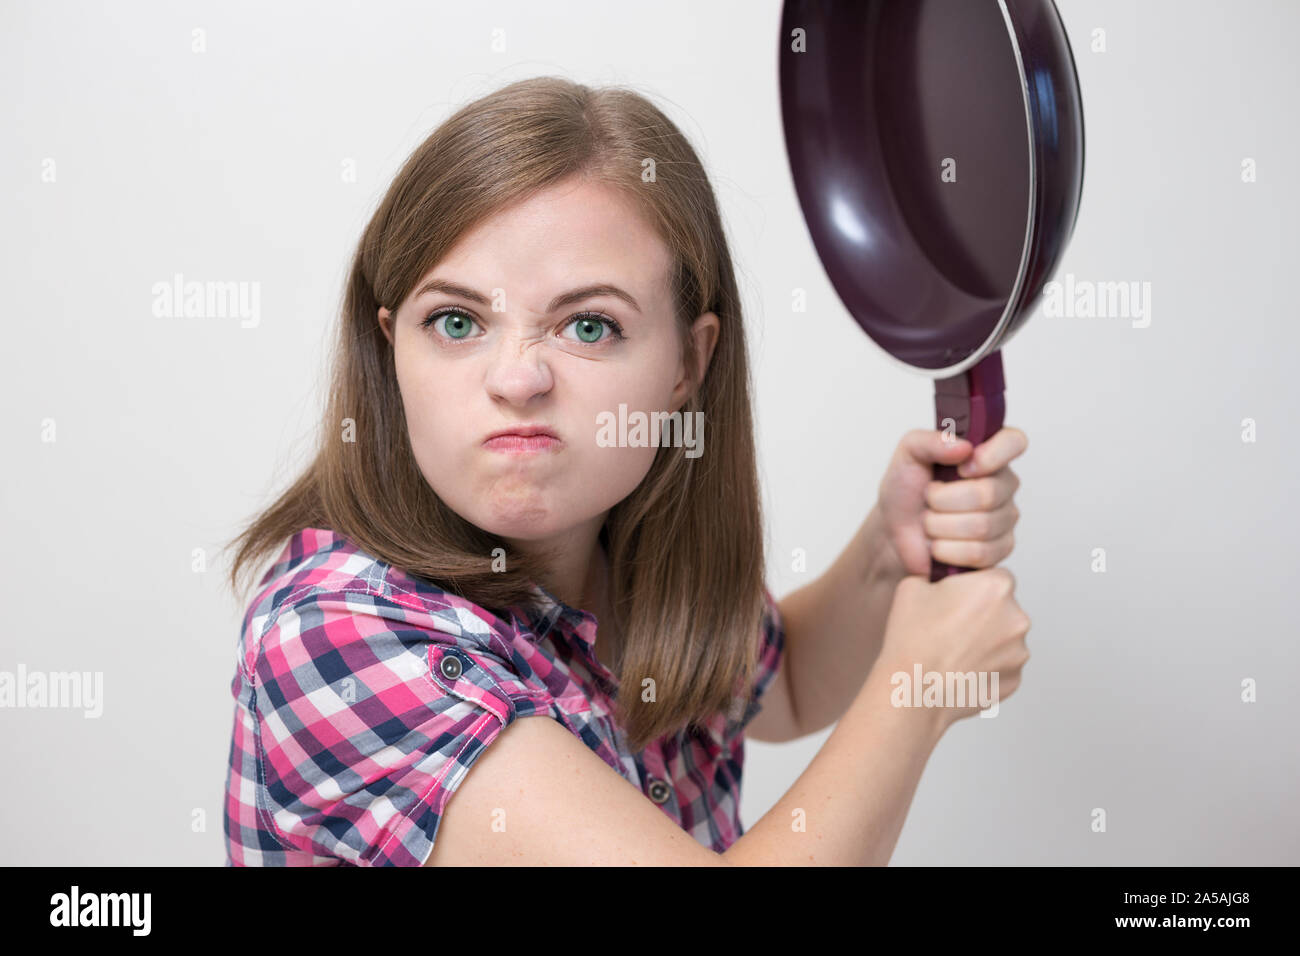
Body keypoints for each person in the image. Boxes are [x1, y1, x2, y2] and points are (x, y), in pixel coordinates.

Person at [220, 75, 1030, 867]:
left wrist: (889, 555)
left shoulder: (628, 557)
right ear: (392, 347)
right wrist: (917, 689)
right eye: (457, 321)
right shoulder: (336, 633)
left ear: (689, 362)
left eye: (590, 326)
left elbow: (782, 692)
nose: (518, 378)